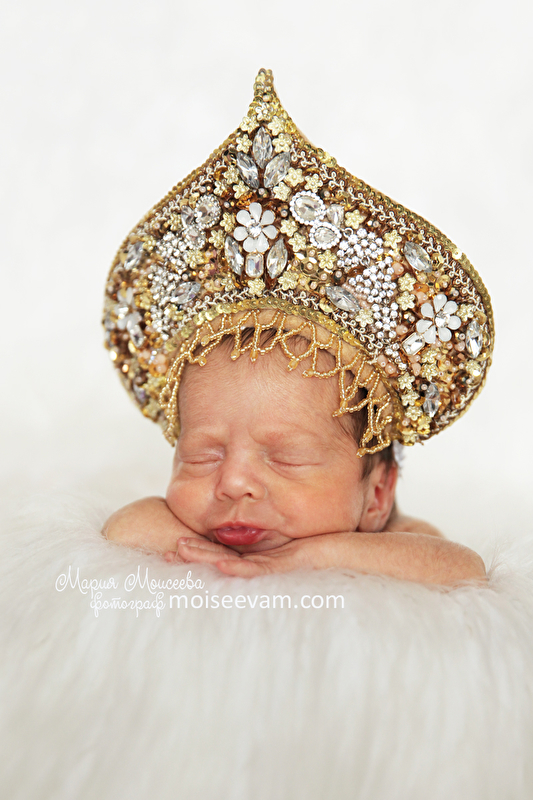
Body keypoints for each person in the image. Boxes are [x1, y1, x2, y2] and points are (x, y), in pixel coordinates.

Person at [102, 69, 493, 586]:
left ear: (376, 495)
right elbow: (125, 527)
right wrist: (236, 562)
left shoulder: (390, 538)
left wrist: (310, 557)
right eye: (201, 457)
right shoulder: (198, 529)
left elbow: (464, 570)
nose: (233, 483)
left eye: (286, 459)